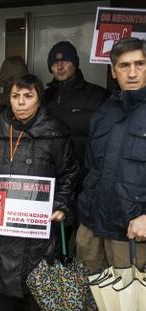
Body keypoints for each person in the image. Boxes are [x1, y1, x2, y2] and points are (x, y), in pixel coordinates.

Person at [0, 74, 78, 311]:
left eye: (28, 96)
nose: (21, 102)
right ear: (8, 99)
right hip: (1, 231)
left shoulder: (55, 132)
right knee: (4, 295)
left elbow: (69, 174)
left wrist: (61, 205)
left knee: (37, 294)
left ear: (38, 100)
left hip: (37, 232)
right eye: (15, 96)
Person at [76, 37, 146, 273]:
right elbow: (90, 167)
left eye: (140, 64)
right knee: (90, 298)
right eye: (124, 66)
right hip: (90, 229)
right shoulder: (104, 112)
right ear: (113, 71)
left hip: (130, 234)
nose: (133, 73)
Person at [44, 41, 109, 166]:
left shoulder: (98, 95)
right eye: (54, 63)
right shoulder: (44, 97)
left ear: (75, 64)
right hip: (51, 170)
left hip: (85, 171)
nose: (59, 67)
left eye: (66, 61)